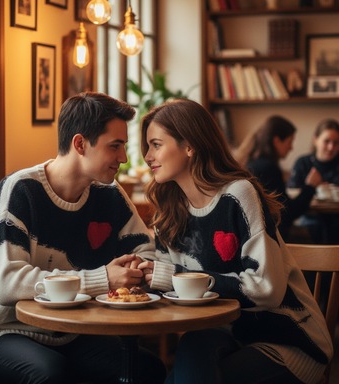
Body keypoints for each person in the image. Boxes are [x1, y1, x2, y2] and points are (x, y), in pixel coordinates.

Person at [0, 92, 166, 384]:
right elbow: (7, 283)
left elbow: (146, 249)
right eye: (114, 146)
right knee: (49, 374)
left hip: (72, 333)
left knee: (147, 367)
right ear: (79, 144)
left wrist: (136, 266)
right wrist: (102, 279)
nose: (123, 158)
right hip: (1, 332)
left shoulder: (109, 193)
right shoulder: (20, 190)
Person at [137, 99, 332, 384]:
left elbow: (267, 290)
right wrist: (142, 277)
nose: (147, 156)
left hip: (286, 341)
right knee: (192, 346)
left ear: (189, 146)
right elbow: (170, 285)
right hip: (228, 335)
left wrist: (172, 276)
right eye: (147, 146)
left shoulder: (239, 195)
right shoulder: (169, 211)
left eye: (156, 144)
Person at [236, 115, 322, 241]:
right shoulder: (268, 168)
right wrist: (310, 187)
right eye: (290, 142)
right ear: (277, 141)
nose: (291, 147)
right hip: (268, 241)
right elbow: (286, 214)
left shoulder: (249, 163)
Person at [287, 119, 339, 244]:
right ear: (315, 140)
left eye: (336, 143)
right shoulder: (303, 163)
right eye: (326, 141)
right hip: (310, 216)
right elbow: (291, 191)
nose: (331, 147)